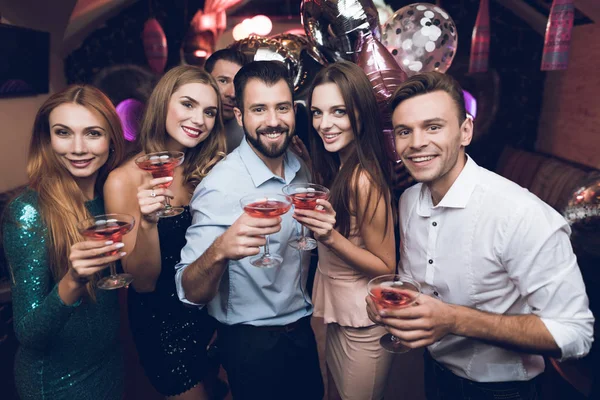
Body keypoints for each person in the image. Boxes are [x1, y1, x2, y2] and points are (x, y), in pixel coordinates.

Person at [367, 71, 595, 399]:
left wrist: (455, 320)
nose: (416, 143)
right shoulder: (407, 200)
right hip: (433, 375)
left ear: (465, 131)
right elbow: (414, 283)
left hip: (502, 391)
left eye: (433, 127)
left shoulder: (520, 214)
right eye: (405, 131)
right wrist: (389, 304)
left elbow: (575, 334)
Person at [175, 61, 324, 400]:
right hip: (252, 344)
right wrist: (219, 249)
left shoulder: (302, 169)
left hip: (301, 332)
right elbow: (188, 292)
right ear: (240, 116)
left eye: (282, 108)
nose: (273, 121)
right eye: (259, 109)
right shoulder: (221, 187)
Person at [103, 65, 226, 399]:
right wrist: (147, 223)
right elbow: (142, 283)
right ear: (162, 104)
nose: (199, 119)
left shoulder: (209, 171)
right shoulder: (123, 180)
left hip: (210, 315)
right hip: (164, 325)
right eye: (188, 104)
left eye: (209, 111)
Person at [2, 85, 126, 399]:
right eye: (63, 133)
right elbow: (28, 333)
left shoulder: (112, 198)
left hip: (111, 366)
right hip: (59, 382)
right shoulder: (29, 212)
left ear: (112, 138)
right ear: (47, 140)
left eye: (93, 133)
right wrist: (74, 279)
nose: (78, 148)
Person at [293, 61, 396, 400]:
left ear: (361, 114)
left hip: (363, 324)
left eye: (338, 112)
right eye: (318, 112)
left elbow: (386, 268)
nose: (325, 124)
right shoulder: (339, 165)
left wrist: (330, 237)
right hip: (341, 318)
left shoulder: (364, 179)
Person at [204, 48, 248, 153]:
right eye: (223, 81)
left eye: (238, 84)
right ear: (204, 79)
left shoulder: (246, 138)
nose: (232, 94)